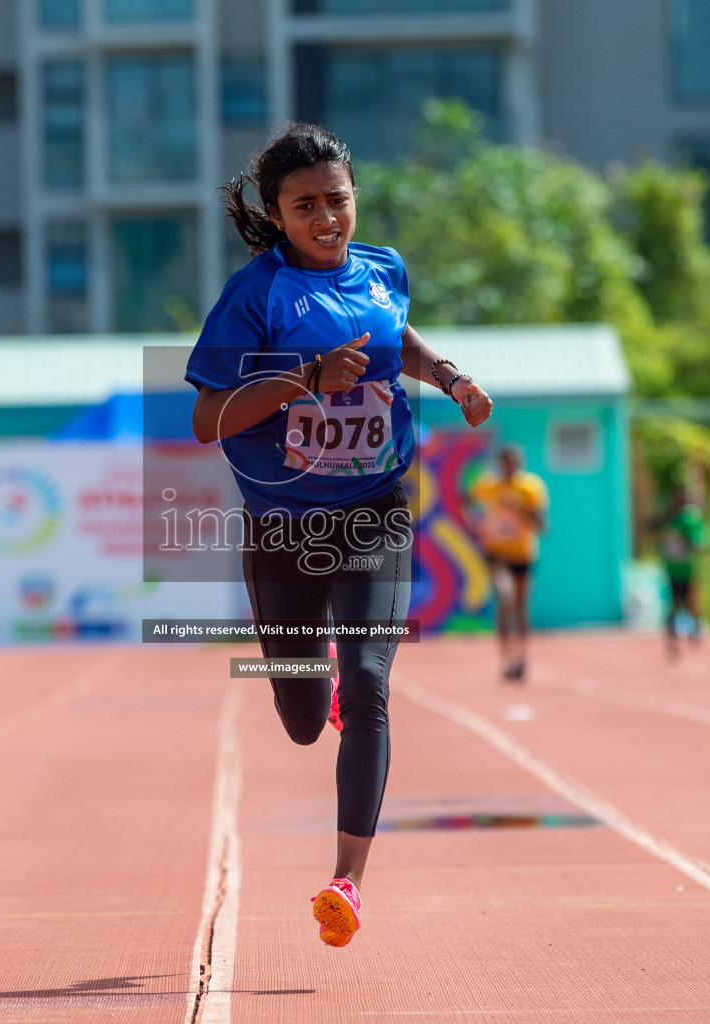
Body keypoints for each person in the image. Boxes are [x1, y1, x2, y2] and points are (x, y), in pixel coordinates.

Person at [186, 123, 492, 948]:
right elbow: (208, 418)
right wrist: (304, 382)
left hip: (375, 513)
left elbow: (401, 341)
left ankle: (347, 881)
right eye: (305, 205)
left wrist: (451, 377)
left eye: (338, 201)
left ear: (356, 197)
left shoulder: (384, 269)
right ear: (279, 214)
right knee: (298, 713)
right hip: (283, 527)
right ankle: (306, 688)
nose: (326, 218)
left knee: (367, 683)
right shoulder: (255, 296)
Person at [468, 445, 548, 681]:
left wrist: (524, 512)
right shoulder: (489, 485)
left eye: (514, 461)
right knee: (505, 599)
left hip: (523, 554)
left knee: (520, 606)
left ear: (520, 462)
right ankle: (505, 658)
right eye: (506, 460)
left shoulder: (530, 487)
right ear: (500, 462)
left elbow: (542, 525)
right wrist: (475, 525)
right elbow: (467, 502)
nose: (510, 465)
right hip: (496, 553)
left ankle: (520, 658)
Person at [655, 485, 706, 660]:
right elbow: (665, 545)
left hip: (687, 570)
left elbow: (699, 542)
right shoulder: (671, 521)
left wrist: (688, 542)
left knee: (691, 603)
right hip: (673, 570)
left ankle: (696, 628)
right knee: (674, 605)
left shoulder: (690, 520)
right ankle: (672, 641)